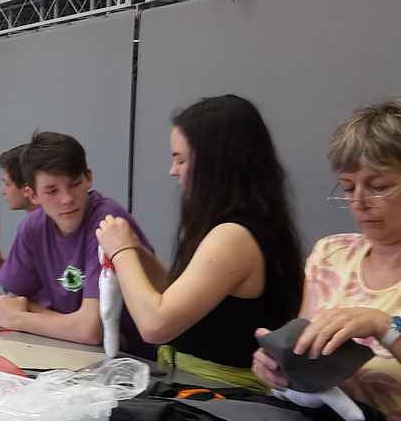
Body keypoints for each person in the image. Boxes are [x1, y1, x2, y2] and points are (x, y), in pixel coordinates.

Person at [95, 95, 304, 388]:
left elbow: (155, 325)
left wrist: (121, 250)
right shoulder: (245, 224)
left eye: (181, 159)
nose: (173, 170)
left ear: (214, 164)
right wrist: (137, 252)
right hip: (200, 387)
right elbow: (175, 296)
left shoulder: (233, 237)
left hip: (222, 397)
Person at [253, 99, 401, 421]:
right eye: (348, 187)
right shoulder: (331, 255)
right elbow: (305, 350)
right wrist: (278, 366)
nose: (359, 201)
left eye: (378, 187)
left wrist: (384, 327)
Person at [0, 131, 152, 349]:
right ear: (32, 195)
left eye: (75, 184)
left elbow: (90, 330)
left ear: (88, 177)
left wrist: (19, 319)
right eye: (52, 191)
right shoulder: (32, 227)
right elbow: (11, 301)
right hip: (66, 347)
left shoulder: (106, 222)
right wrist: (61, 322)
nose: (67, 199)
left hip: (128, 356)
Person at [0, 143, 38, 278]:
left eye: (7, 184)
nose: (2, 190)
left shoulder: (35, 227)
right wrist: (5, 272)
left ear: (27, 189)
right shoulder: (32, 225)